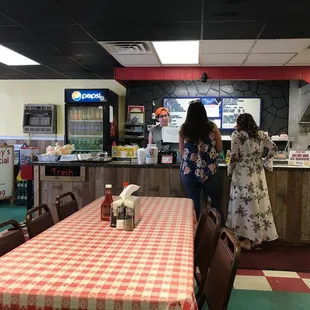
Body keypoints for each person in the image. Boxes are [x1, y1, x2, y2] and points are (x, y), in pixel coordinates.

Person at [226, 113, 278, 250]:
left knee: (243, 207)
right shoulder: (261, 134)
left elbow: (234, 156)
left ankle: (247, 240)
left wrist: (229, 170)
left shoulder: (237, 135)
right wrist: (267, 161)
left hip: (242, 174)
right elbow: (274, 147)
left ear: (239, 123)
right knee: (257, 205)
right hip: (258, 174)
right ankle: (256, 239)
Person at [179, 99, 223, 222]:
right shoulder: (212, 127)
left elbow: (182, 152)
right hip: (210, 171)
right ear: (204, 113)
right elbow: (219, 149)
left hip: (189, 171)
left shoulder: (184, 129)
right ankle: (215, 236)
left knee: (193, 206)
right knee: (214, 206)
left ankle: (195, 236)